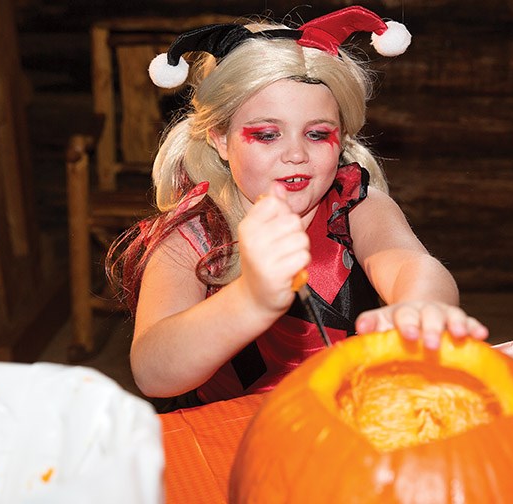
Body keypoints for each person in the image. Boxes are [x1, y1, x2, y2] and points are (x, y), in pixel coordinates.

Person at [107, 6, 488, 409]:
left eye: (317, 134)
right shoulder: (192, 236)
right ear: (220, 138)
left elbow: (412, 264)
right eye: (268, 134)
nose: (295, 154)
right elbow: (152, 370)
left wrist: (423, 306)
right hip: (229, 438)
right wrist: (250, 299)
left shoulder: (355, 207)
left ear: (341, 138)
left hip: (348, 422)